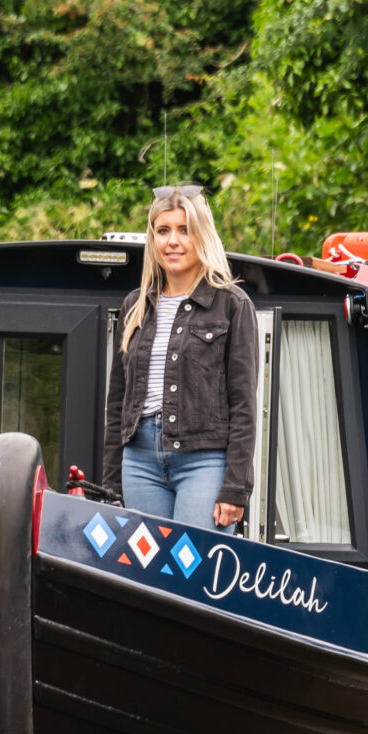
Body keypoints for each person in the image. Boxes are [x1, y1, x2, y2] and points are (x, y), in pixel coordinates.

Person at [100, 185, 258, 533]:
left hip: (205, 461)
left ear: (202, 235)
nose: (173, 241)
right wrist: (110, 485)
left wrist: (235, 488)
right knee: (148, 573)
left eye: (185, 230)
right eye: (163, 230)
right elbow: (117, 404)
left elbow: (244, 405)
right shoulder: (134, 306)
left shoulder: (232, 305)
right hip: (139, 462)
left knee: (195, 572)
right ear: (152, 238)